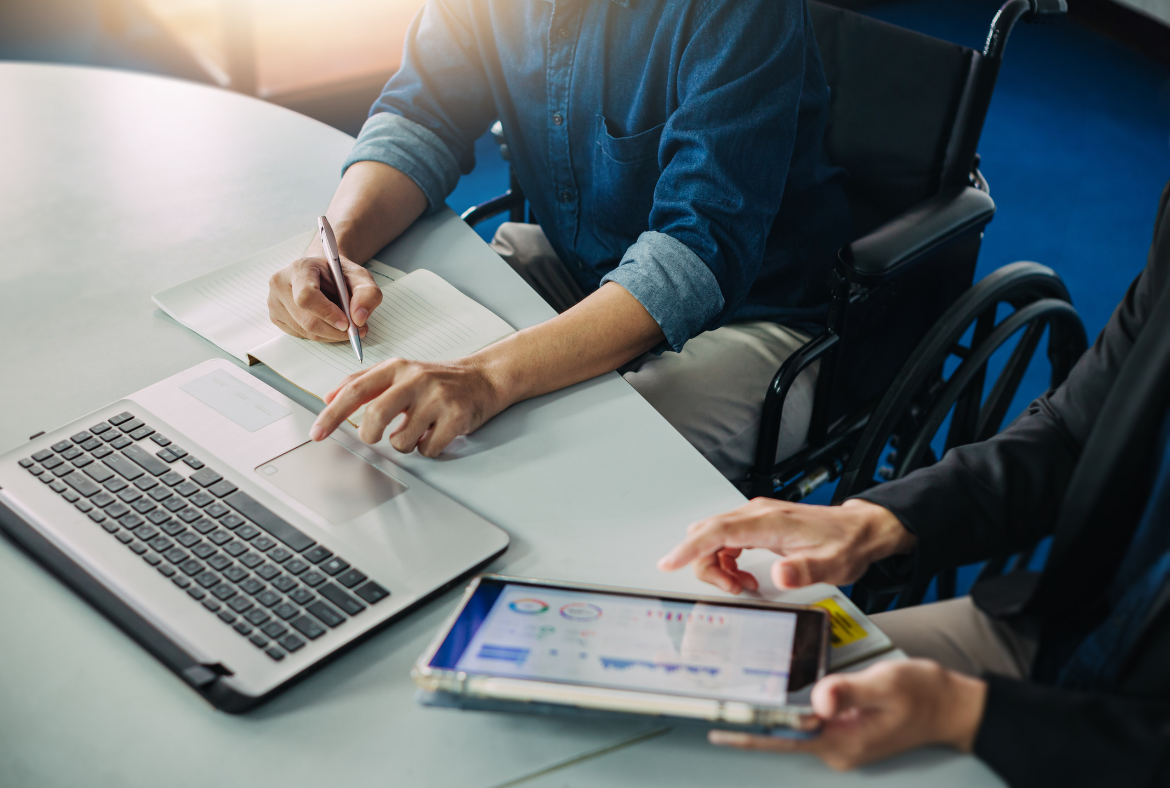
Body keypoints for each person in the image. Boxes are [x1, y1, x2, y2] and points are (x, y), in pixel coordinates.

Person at [658, 181, 1170, 786]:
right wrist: (874, 522)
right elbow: (1073, 431)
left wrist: (962, 714)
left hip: (1119, 731)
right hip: (1070, 633)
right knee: (696, 725)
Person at [272, 0, 850, 479]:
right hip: (577, 263)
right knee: (398, 408)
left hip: (756, 317)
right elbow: (421, 117)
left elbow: (698, 249)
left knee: (549, 470)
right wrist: (333, 251)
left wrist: (488, 376)